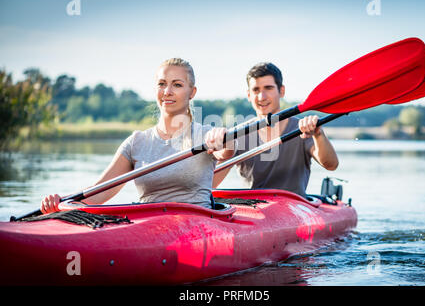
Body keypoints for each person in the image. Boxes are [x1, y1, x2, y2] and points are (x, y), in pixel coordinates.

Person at [41, 58, 235, 213]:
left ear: (192, 92)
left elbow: (226, 152)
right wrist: (60, 203)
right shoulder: (137, 142)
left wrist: (224, 140)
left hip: (197, 228)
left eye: (177, 85)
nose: (167, 91)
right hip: (148, 228)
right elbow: (96, 193)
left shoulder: (205, 135)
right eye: (162, 84)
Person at [213, 62, 338, 198]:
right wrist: (224, 150)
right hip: (254, 210)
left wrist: (318, 134)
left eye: (268, 88)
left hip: (295, 209)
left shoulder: (302, 129)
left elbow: (331, 165)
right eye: (256, 90)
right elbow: (209, 184)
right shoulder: (239, 135)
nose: (262, 97)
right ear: (249, 95)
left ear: (281, 91)